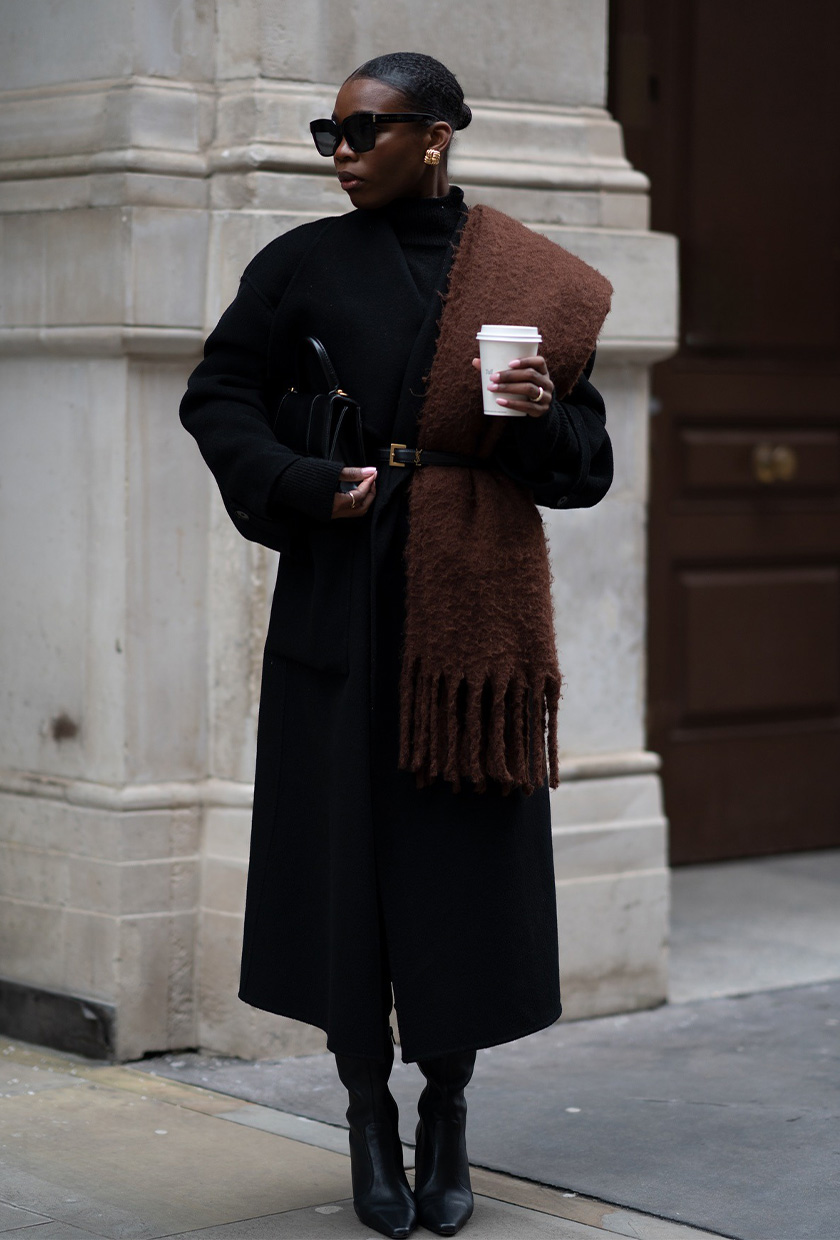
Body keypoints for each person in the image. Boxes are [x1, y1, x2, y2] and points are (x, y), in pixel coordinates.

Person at [180, 51, 613, 1240]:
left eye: (364, 130)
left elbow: (586, 466)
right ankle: (367, 1113)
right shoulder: (301, 266)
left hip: (470, 633)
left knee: (457, 871)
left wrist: (538, 418)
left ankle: (449, 1110)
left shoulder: (533, 277)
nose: (341, 152)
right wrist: (300, 482)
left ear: (435, 135)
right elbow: (218, 396)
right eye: (329, 132)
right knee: (345, 868)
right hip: (343, 602)